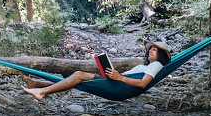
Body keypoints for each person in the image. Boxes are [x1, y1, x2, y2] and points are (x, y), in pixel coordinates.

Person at [20, 41, 171, 101]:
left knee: (78, 75)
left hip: (120, 88)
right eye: (150, 49)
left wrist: (120, 78)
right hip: (117, 83)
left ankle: (42, 91)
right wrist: (116, 75)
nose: (150, 51)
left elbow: (144, 83)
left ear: (161, 54)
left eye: (155, 49)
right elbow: (131, 76)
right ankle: (36, 84)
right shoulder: (145, 66)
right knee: (77, 80)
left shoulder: (157, 65)